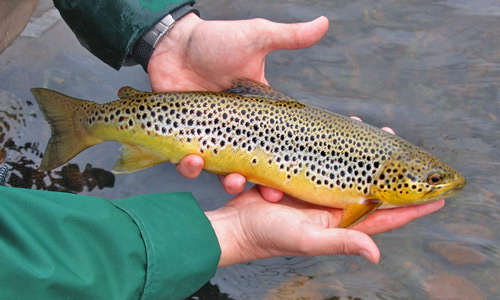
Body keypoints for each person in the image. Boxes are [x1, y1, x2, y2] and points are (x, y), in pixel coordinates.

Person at [0, 1, 445, 299]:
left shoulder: (374, 184)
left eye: (433, 181)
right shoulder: (361, 202)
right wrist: (235, 234)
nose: (439, 187)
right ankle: (86, 125)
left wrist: (167, 35)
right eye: (431, 181)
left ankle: (89, 125)